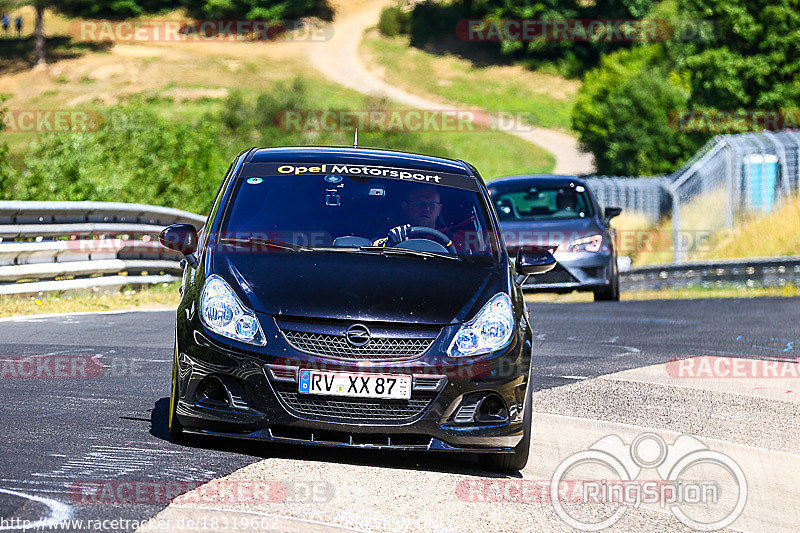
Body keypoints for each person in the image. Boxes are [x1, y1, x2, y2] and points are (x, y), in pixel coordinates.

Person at [374, 186, 444, 247]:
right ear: (405, 207)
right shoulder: (392, 233)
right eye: (420, 203)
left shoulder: (450, 237)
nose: (426, 208)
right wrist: (389, 243)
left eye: (432, 204)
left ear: (439, 209)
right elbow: (371, 247)